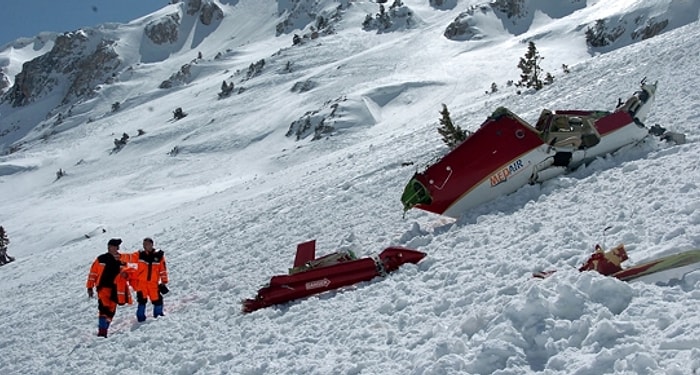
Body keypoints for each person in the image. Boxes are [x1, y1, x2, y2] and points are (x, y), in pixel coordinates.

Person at [86, 238, 136, 337]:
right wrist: (90, 287)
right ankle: (102, 332)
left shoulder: (122, 260)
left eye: (117, 246)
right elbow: (93, 274)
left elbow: (127, 273)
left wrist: (128, 277)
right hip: (103, 287)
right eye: (115, 246)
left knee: (111, 310)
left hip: (117, 289)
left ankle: (105, 328)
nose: (117, 248)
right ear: (109, 247)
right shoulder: (101, 259)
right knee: (104, 308)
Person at [127, 237, 169, 322]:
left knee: (157, 300)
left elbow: (163, 269)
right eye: (144, 244)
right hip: (141, 283)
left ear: (151, 244)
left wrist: (164, 281)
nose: (145, 245)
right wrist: (119, 256)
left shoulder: (159, 255)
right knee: (142, 301)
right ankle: (141, 319)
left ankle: (158, 316)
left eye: (147, 244)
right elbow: (130, 258)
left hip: (153, 283)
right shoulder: (140, 254)